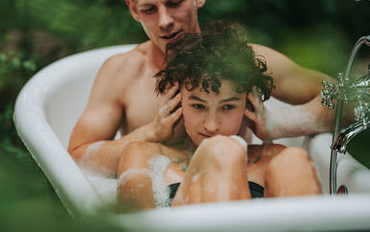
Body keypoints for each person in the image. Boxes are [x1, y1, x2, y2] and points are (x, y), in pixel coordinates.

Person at [68, 0, 334, 181]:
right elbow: (77, 158)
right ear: (133, 9)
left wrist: (278, 124)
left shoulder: (241, 61)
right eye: (149, 9)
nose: (165, 21)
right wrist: (151, 133)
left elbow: (352, 98)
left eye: (174, 2)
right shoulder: (123, 72)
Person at [116, 20, 322, 209]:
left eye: (227, 107)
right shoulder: (144, 156)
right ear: (178, 100)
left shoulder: (274, 160)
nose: (212, 125)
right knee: (222, 150)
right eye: (198, 106)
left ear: (247, 105)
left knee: (294, 159)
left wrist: (276, 124)